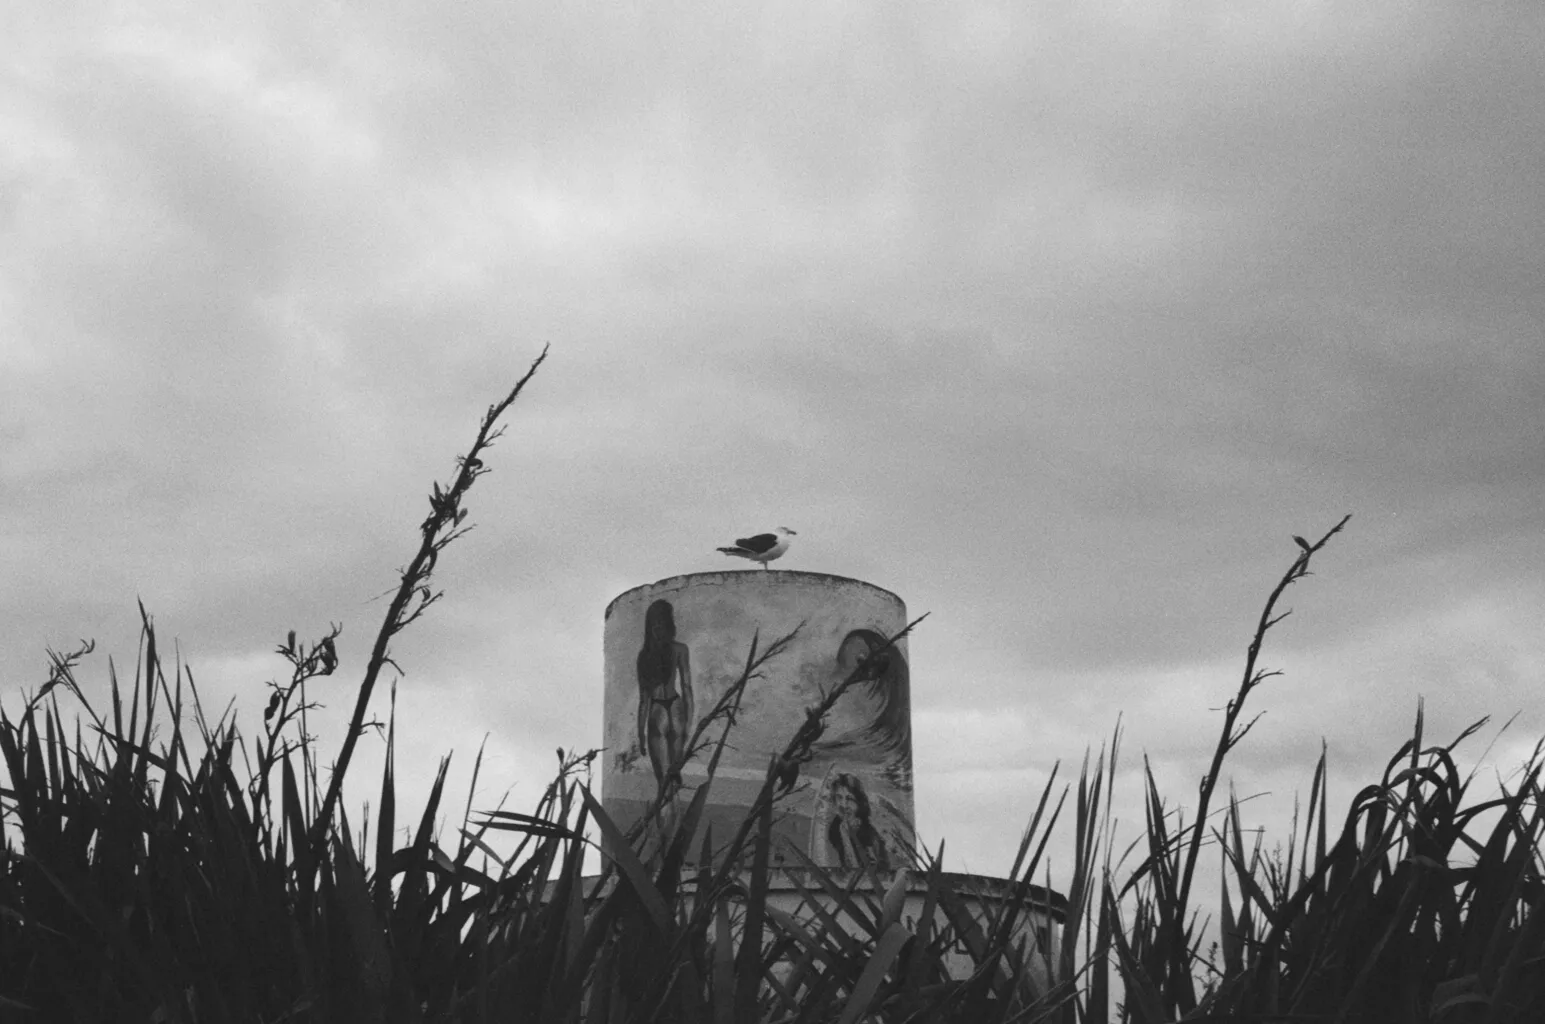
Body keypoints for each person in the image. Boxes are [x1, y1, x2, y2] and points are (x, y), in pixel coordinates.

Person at [636, 599, 694, 795]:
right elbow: (687, 688)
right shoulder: (679, 649)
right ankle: (671, 819)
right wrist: (688, 724)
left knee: (664, 780)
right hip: (674, 708)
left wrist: (640, 735)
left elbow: (644, 701)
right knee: (671, 776)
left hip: (659, 710)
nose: (657, 629)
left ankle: (666, 820)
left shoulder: (645, 656)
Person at [826, 772, 891, 872]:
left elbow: (857, 871)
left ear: (859, 802)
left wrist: (846, 836)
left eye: (849, 799)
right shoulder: (834, 828)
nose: (844, 804)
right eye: (839, 797)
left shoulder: (869, 834)